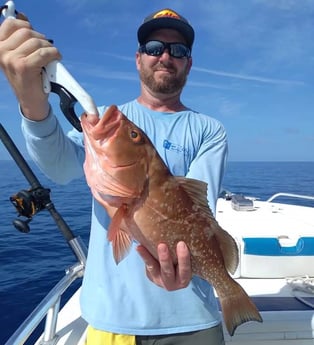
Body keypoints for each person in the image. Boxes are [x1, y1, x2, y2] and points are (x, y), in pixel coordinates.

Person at [0, 7, 228, 345]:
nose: (165, 56)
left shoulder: (209, 130)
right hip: (113, 317)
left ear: (188, 63)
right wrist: (33, 103)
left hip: (193, 314)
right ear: (138, 59)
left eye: (177, 50)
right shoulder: (111, 119)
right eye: (154, 48)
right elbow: (61, 165)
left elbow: (200, 211)